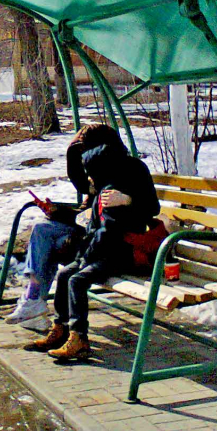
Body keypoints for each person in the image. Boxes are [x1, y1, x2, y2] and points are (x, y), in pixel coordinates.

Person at [25, 141, 163, 361]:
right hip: (104, 250)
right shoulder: (102, 191)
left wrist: (85, 258)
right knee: (64, 274)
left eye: (90, 173)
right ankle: (60, 328)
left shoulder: (113, 193)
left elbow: (109, 233)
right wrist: (81, 255)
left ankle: (79, 338)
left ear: (101, 170)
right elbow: (91, 227)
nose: (88, 179)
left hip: (122, 252)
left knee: (77, 280)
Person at [5, 124, 130, 325]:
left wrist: (126, 201)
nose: (83, 166)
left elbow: (125, 216)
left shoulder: (119, 175)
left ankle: (39, 302)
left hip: (104, 241)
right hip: (87, 231)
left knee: (54, 244)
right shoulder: (95, 179)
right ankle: (34, 297)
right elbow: (84, 214)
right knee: (42, 229)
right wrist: (57, 212)